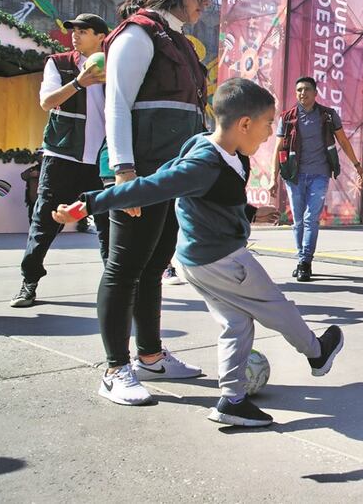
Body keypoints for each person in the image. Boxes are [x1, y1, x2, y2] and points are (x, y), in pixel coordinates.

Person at [54, 78, 345, 424]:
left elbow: (206, 193)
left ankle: (232, 402)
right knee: (275, 306)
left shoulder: (210, 147)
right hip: (223, 260)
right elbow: (156, 184)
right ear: (245, 124)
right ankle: (316, 352)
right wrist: (90, 203)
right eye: (268, 124)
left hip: (197, 261)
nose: (270, 134)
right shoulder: (205, 164)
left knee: (236, 323)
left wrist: (250, 212)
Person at [94, 0, 213, 405]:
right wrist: (125, 173)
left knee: (153, 266)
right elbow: (117, 103)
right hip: (137, 173)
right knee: (124, 267)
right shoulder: (139, 33)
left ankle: (150, 356)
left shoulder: (178, 40)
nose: (205, 3)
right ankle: (114, 368)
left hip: (169, 177)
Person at [11, 14, 111, 308]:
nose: (75, 36)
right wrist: (79, 82)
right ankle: (29, 282)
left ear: (101, 36)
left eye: (84, 31)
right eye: (74, 31)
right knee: (44, 222)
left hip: (103, 160)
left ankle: (116, 289)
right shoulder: (59, 63)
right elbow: (47, 101)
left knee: (108, 226)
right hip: (62, 156)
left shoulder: (116, 66)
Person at [270, 76, 363, 282]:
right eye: (298, 90)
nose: (302, 93)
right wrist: (272, 178)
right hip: (293, 176)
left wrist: (357, 165)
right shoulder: (287, 118)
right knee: (298, 221)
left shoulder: (328, 116)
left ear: (315, 93)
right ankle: (302, 259)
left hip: (320, 174)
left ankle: (305, 261)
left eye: (306, 89)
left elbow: (343, 141)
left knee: (310, 218)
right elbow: (278, 149)